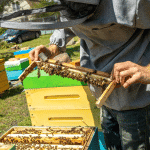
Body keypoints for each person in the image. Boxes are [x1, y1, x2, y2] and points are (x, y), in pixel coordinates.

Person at [29, 0, 150, 149]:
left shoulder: (135, 3)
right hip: (104, 97)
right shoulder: (67, 5)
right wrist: (54, 48)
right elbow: (67, 24)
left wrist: (147, 70)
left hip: (136, 100)